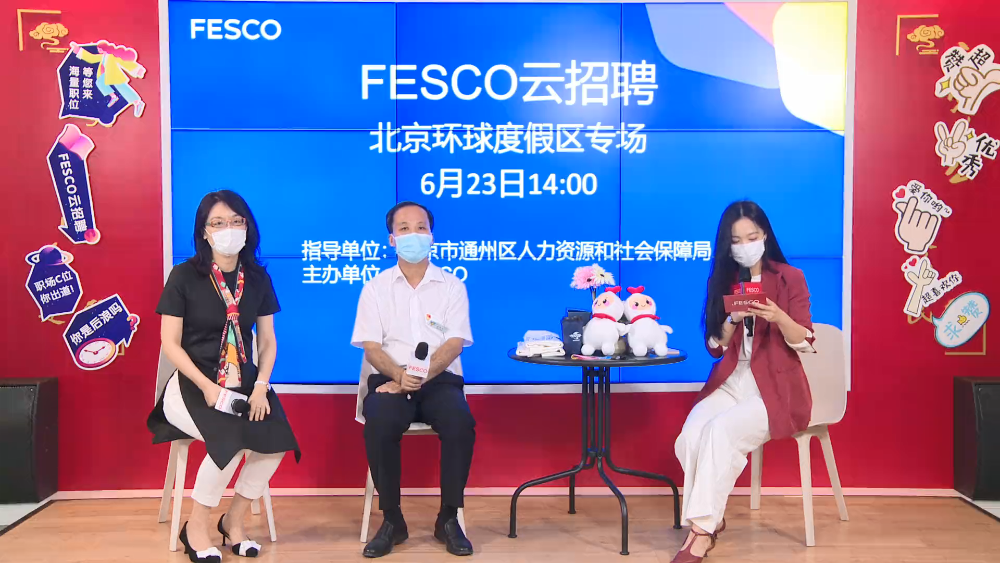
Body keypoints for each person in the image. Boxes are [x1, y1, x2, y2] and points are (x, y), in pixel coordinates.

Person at [148, 190, 300, 563]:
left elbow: (267, 341)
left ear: (247, 227)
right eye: (218, 223)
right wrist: (207, 387)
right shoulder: (184, 276)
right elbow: (170, 343)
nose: (228, 229)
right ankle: (196, 528)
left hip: (244, 383)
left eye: (236, 221)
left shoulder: (257, 278)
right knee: (230, 438)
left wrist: (261, 387)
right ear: (204, 231)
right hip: (192, 384)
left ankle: (232, 521)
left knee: (275, 441)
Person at [671, 201, 816, 563]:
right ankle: (712, 518)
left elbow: (805, 339)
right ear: (727, 244)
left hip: (776, 386)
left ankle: (701, 534)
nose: (745, 245)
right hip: (733, 380)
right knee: (690, 437)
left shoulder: (790, 277)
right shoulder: (723, 280)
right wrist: (732, 319)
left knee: (721, 433)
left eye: (751, 237)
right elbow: (715, 347)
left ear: (764, 235)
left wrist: (778, 315)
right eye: (736, 240)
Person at [352, 201, 476, 558]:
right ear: (392, 239)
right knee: (380, 421)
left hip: (439, 380)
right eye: (404, 228)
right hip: (389, 377)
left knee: (460, 423)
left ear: (432, 235)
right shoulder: (375, 288)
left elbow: (454, 344)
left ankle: (448, 519)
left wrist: (418, 376)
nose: (413, 234)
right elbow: (371, 347)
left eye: (421, 227)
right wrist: (399, 376)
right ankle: (392, 520)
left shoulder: (452, 286)